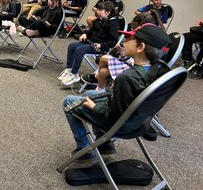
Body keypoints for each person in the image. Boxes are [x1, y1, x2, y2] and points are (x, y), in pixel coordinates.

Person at [62, 24, 171, 159]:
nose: (124, 41)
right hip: (140, 121)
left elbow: (114, 116)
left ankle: (84, 150)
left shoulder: (126, 78)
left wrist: (94, 107)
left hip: (121, 125)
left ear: (140, 47)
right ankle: (104, 144)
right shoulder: (160, 69)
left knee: (68, 102)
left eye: (129, 38)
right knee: (90, 94)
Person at [82, 10, 164, 92]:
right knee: (103, 71)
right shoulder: (154, 37)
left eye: (135, 29)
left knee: (103, 59)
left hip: (136, 65)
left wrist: (124, 55)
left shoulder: (150, 42)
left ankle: (97, 79)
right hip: (133, 62)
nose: (126, 40)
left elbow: (140, 60)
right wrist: (123, 54)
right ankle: (99, 87)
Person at [60, 1, 119, 87]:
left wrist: (101, 45)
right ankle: (69, 69)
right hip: (91, 42)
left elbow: (113, 41)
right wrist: (85, 34)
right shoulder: (100, 19)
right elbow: (91, 30)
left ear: (107, 12)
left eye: (99, 10)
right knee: (72, 46)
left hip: (100, 46)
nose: (97, 11)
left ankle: (74, 74)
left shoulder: (114, 24)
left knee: (80, 50)